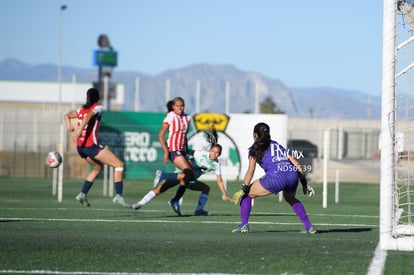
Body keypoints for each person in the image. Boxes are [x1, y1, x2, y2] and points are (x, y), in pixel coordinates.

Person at [232, 122, 316, 234]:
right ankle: (309, 227)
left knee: (247, 195)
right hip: (292, 174)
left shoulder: (254, 149)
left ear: (255, 135)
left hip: (277, 177)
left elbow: (251, 170)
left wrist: (244, 187)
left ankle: (243, 225)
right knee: (291, 198)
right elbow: (295, 163)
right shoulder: (276, 145)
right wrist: (304, 183)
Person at [63, 87, 127, 207]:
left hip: (80, 147)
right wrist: (78, 132)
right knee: (119, 165)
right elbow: (88, 117)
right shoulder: (99, 107)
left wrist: (69, 127)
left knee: (97, 168)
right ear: (98, 97)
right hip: (91, 145)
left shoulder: (81, 110)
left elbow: (66, 115)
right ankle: (119, 195)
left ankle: (82, 194)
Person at [131, 143, 233, 215]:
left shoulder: (216, 164)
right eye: (213, 151)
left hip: (191, 180)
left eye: (217, 153)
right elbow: (186, 151)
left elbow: (219, 180)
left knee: (206, 188)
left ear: (219, 155)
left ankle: (199, 210)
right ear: (210, 150)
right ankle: (140, 203)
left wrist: (225, 195)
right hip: (181, 175)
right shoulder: (201, 154)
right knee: (160, 189)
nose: (214, 154)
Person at [157, 97, 195, 214]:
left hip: (183, 151)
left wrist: (187, 150)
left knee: (190, 176)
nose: (180, 108)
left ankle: (175, 200)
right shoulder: (171, 116)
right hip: (173, 150)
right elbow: (160, 135)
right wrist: (166, 151)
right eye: (177, 106)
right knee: (188, 172)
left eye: (182, 105)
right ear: (173, 107)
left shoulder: (187, 118)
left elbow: (184, 136)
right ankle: (162, 175)